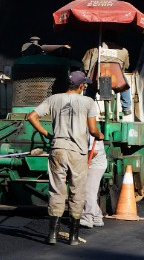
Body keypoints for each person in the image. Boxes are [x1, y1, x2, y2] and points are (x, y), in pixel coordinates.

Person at [27, 71, 104, 246]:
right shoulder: (88, 102)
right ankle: (73, 237)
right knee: (77, 191)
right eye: (85, 84)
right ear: (81, 86)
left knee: (57, 190)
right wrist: (99, 134)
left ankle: (52, 235)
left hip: (58, 149)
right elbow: (92, 130)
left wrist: (48, 134)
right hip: (78, 152)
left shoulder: (54, 99)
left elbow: (32, 117)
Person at [82, 32, 132, 115]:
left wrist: (88, 74)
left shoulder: (93, 49)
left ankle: (87, 107)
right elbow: (125, 66)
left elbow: (86, 66)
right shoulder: (124, 51)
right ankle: (126, 108)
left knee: (89, 84)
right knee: (125, 86)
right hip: (116, 80)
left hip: (97, 79)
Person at [80, 133, 106, 229]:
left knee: (88, 191)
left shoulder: (90, 130)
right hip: (93, 163)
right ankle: (97, 217)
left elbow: (94, 151)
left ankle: (88, 218)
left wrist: (81, 164)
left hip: (95, 165)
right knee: (89, 191)